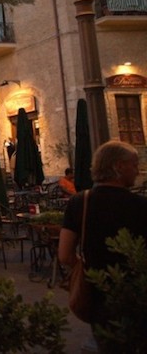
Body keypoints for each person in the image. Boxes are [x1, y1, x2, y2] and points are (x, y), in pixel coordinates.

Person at [58, 141, 147, 350]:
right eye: (134, 165)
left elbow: (64, 255)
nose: (137, 170)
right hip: (137, 293)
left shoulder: (80, 202)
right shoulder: (141, 205)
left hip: (97, 290)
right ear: (119, 167)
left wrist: (87, 266)